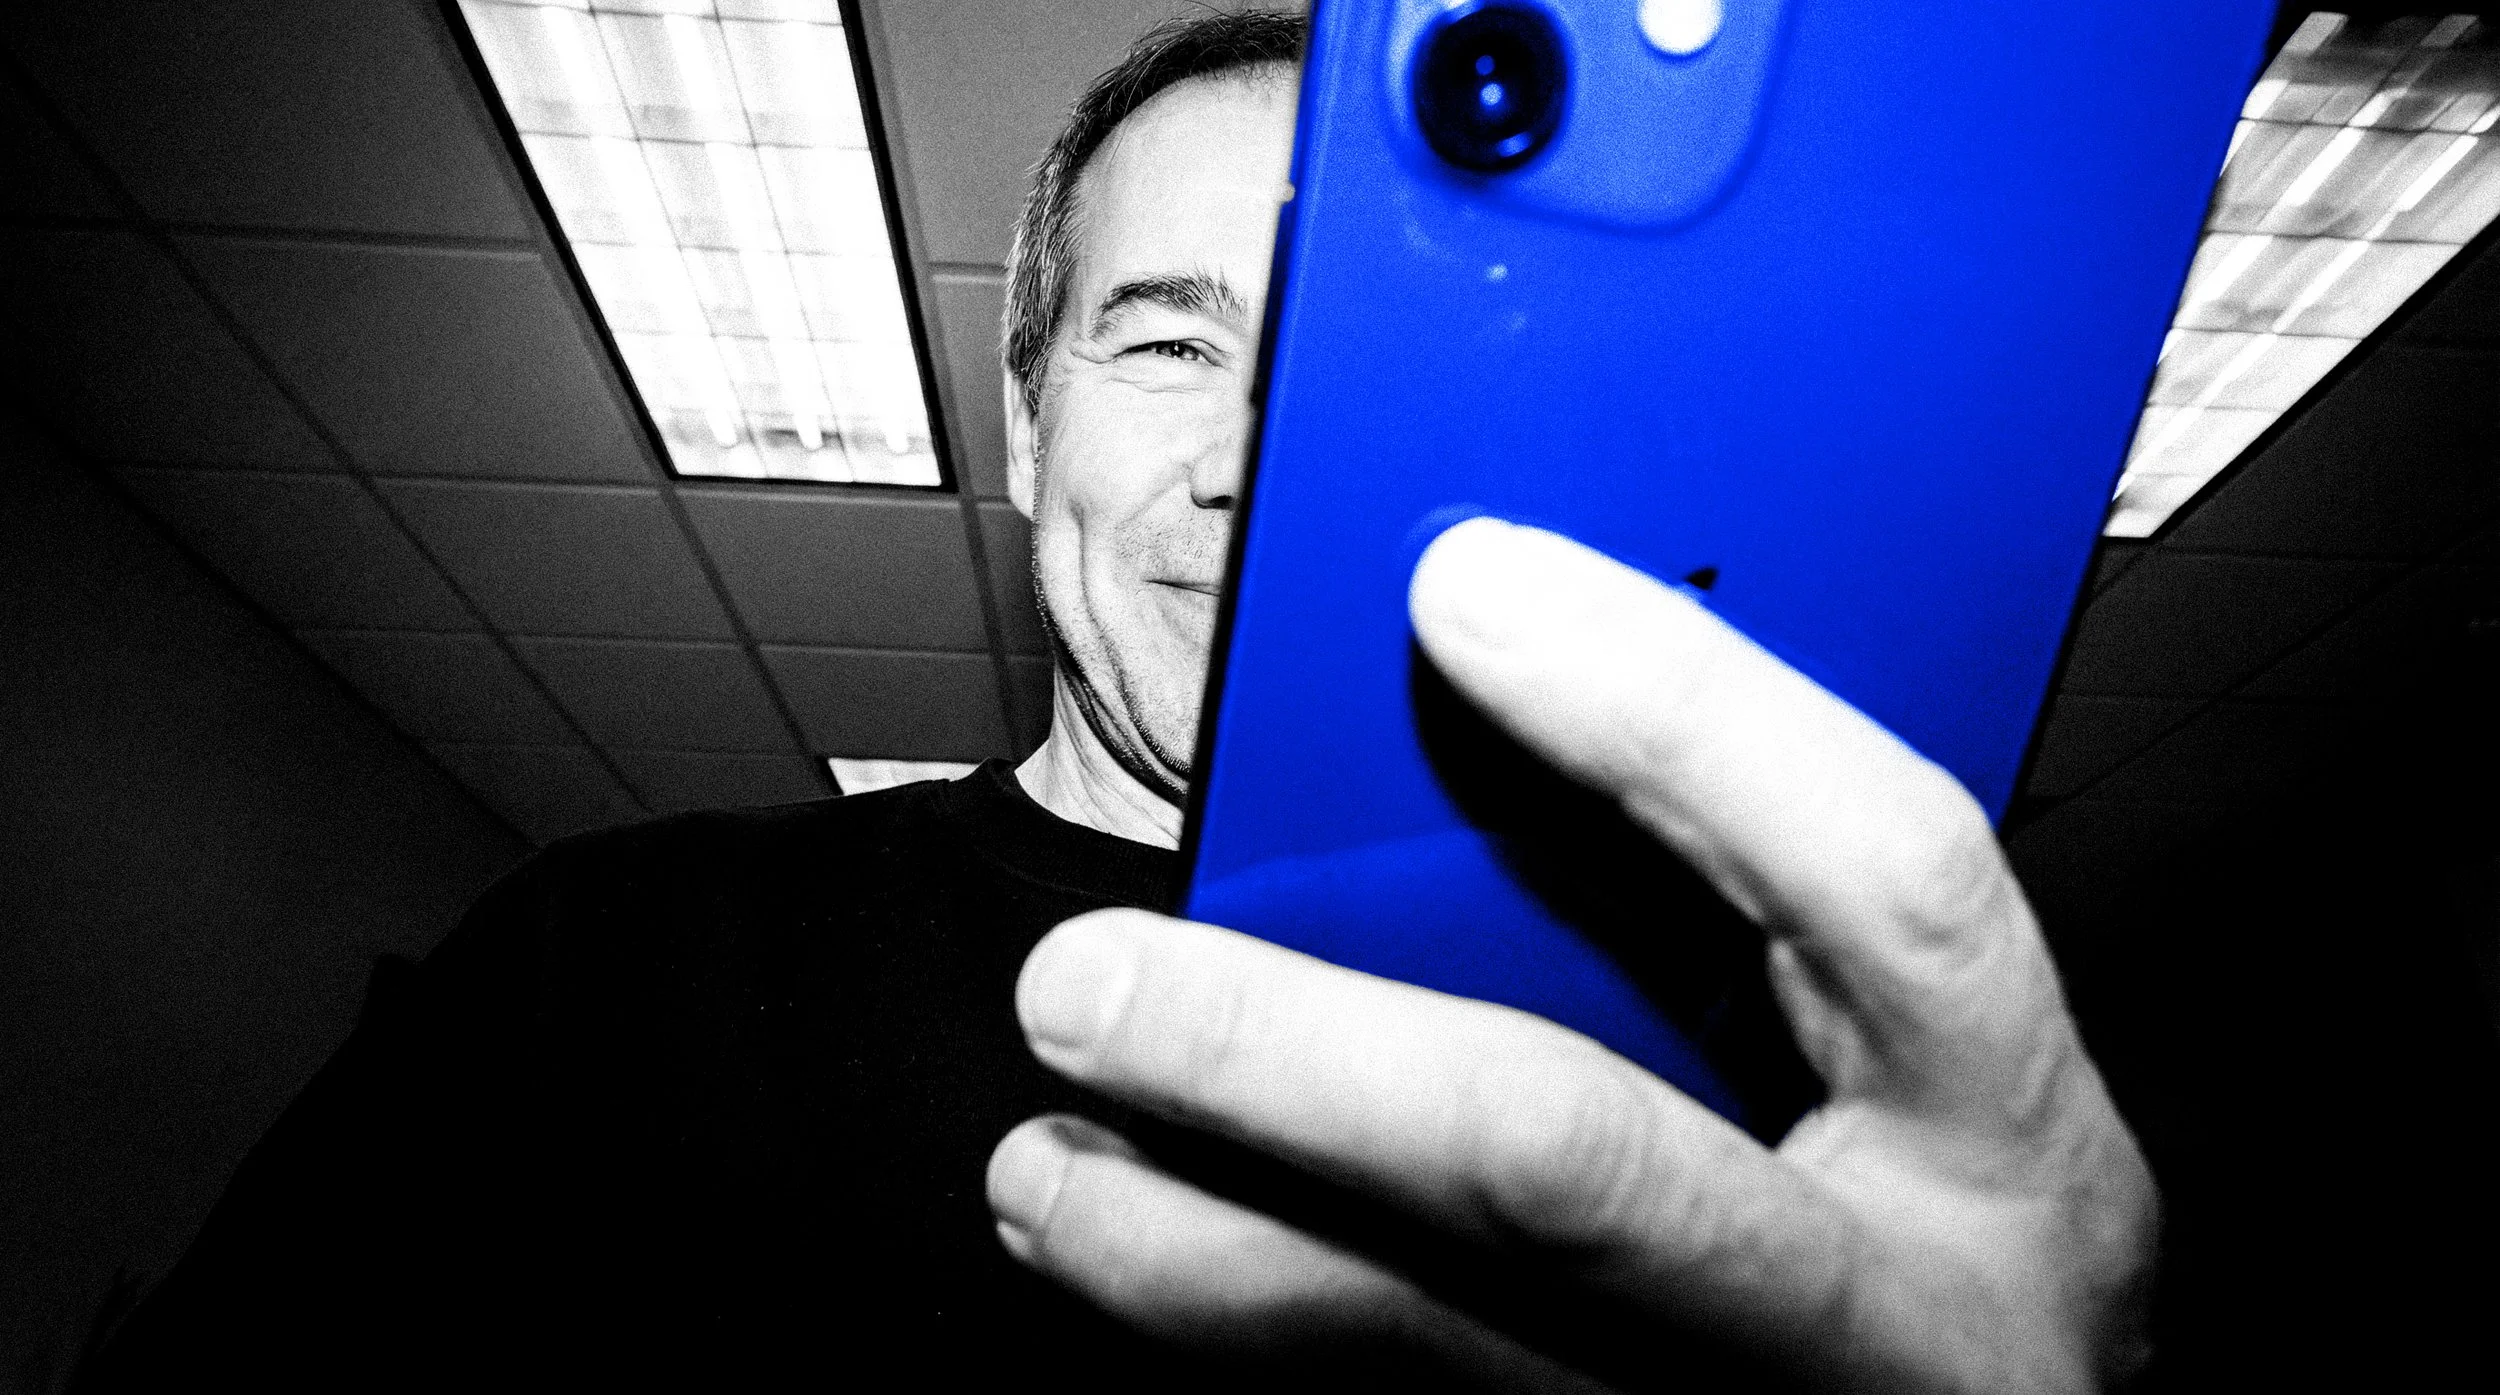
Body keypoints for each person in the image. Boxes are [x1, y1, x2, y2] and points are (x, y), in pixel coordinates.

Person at [76, 10, 2153, 1390]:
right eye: (1169, 343)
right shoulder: (595, 965)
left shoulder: (1772, 1075)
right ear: (1024, 425)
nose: (1255, 455)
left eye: (1343, 367)